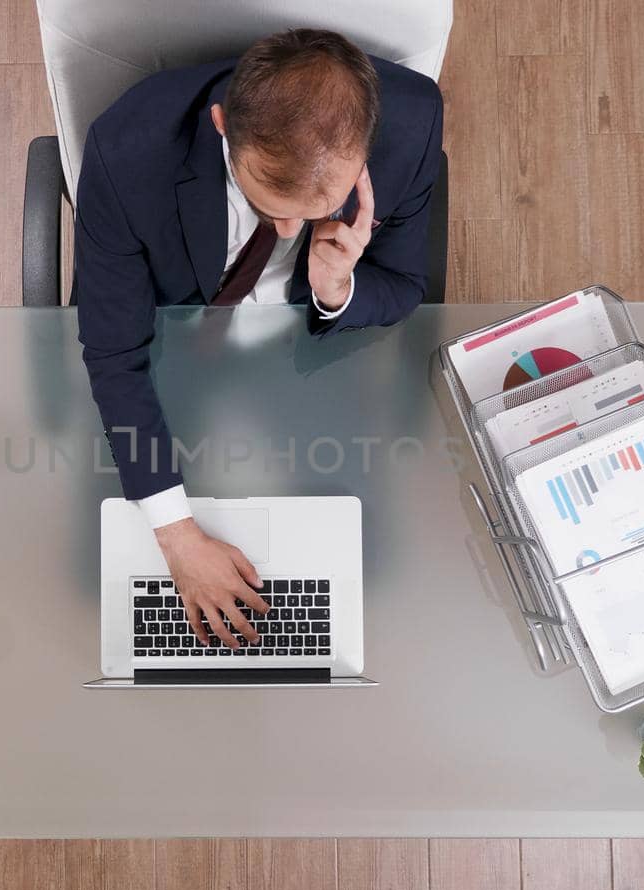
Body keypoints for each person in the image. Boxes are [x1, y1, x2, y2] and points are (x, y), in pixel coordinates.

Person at [73, 28, 444, 651]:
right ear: (221, 124)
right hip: (172, 345)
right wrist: (179, 537)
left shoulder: (412, 123)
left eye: (314, 207)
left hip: (311, 351)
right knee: (91, 577)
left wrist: (337, 288)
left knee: (369, 572)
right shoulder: (128, 150)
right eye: (267, 202)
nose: (289, 228)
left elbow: (404, 282)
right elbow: (114, 352)